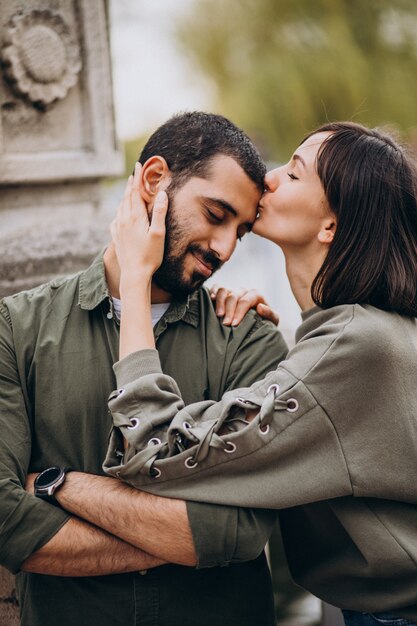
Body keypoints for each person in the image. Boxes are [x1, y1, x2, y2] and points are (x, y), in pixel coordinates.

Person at [55, 121, 417, 626]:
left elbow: (158, 452)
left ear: (329, 226)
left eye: (293, 173)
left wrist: (136, 282)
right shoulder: (356, 333)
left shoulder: (357, 344)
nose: (268, 179)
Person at [0, 112, 289, 626]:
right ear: (155, 180)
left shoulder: (249, 336)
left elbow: (241, 532)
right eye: (216, 214)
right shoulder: (16, 327)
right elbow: (5, 525)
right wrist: (186, 538)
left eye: (241, 232)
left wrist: (56, 485)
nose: (224, 248)